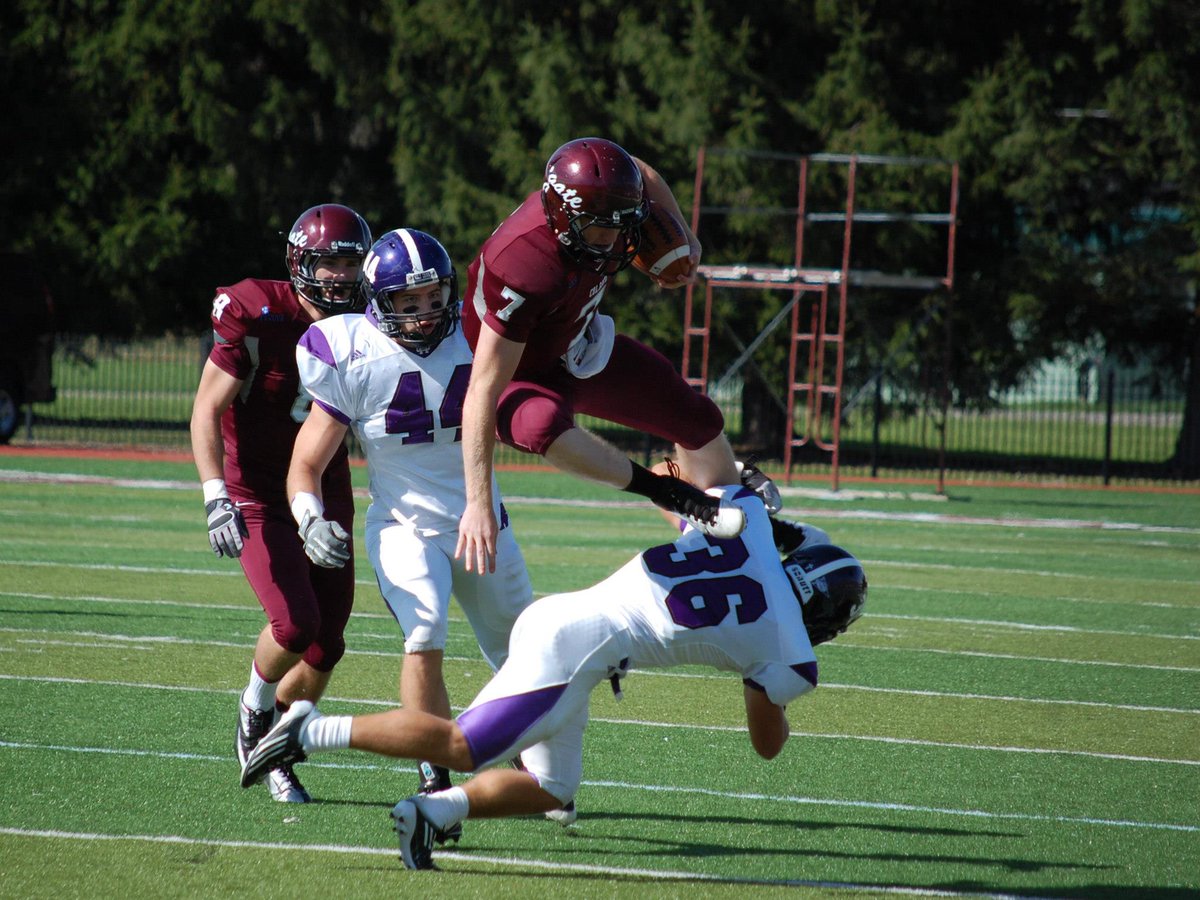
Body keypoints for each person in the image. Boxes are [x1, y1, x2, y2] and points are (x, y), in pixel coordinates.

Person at [240, 463, 867, 869]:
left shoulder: (748, 527)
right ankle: (308, 730)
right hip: (572, 652)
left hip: (573, 636)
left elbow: (675, 480)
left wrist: (756, 507)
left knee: (554, 787)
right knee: (462, 745)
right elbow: (767, 744)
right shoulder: (791, 650)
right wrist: (782, 685)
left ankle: (431, 814)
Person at [287, 227, 535, 843]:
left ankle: (519, 750)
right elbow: (306, 463)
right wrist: (309, 518)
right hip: (404, 526)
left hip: (482, 519)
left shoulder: (478, 333)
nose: (425, 312)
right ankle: (433, 768)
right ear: (379, 301)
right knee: (424, 632)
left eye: (434, 297)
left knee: (525, 654)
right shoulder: (352, 351)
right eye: (409, 300)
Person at [456, 136, 780, 577]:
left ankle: (743, 533)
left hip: (576, 344)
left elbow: (640, 171)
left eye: (621, 225)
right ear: (561, 215)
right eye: (598, 228)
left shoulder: (607, 201)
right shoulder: (523, 264)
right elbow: (482, 388)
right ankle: (668, 491)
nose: (612, 240)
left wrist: (685, 236)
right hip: (513, 374)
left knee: (695, 417)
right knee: (541, 423)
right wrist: (478, 502)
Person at [190, 202, 372, 803]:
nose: (341, 278)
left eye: (351, 265)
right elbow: (206, 409)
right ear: (299, 264)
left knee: (328, 644)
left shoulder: (371, 320)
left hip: (324, 484)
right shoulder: (258, 314)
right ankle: (254, 709)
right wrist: (216, 495)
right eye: (329, 265)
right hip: (258, 490)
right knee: (294, 624)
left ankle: (280, 749)